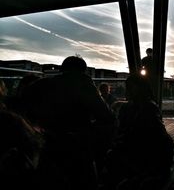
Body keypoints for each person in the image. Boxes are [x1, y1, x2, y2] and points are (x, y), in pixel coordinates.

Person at [22, 55, 115, 190]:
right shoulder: (83, 83)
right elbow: (106, 116)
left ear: (62, 69)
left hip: (47, 146)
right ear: (83, 71)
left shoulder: (43, 84)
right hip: (77, 147)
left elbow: (24, 107)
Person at [104, 74, 174, 190]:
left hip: (142, 155)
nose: (128, 90)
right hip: (152, 156)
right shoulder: (150, 107)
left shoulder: (129, 109)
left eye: (130, 87)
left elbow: (129, 136)